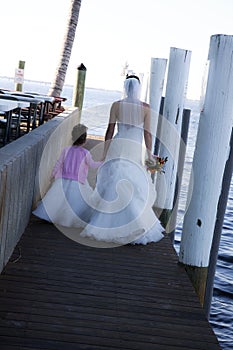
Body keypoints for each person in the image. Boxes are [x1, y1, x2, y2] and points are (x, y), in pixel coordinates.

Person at [80, 75, 164, 245]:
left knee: (114, 179)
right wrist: (149, 154)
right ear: (138, 88)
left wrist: (105, 151)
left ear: (126, 87)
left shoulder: (116, 105)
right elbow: (147, 134)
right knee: (133, 181)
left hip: (118, 145)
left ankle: (107, 222)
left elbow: (110, 130)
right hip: (134, 148)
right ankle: (134, 221)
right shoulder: (146, 108)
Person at [33, 124, 102, 227]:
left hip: (63, 179)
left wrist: (53, 175)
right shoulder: (85, 153)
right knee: (74, 204)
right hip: (78, 182)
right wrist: (103, 162)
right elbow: (92, 165)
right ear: (85, 140)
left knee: (57, 201)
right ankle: (67, 220)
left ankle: (52, 216)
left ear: (72, 137)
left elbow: (58, 163)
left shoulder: (66, 150)